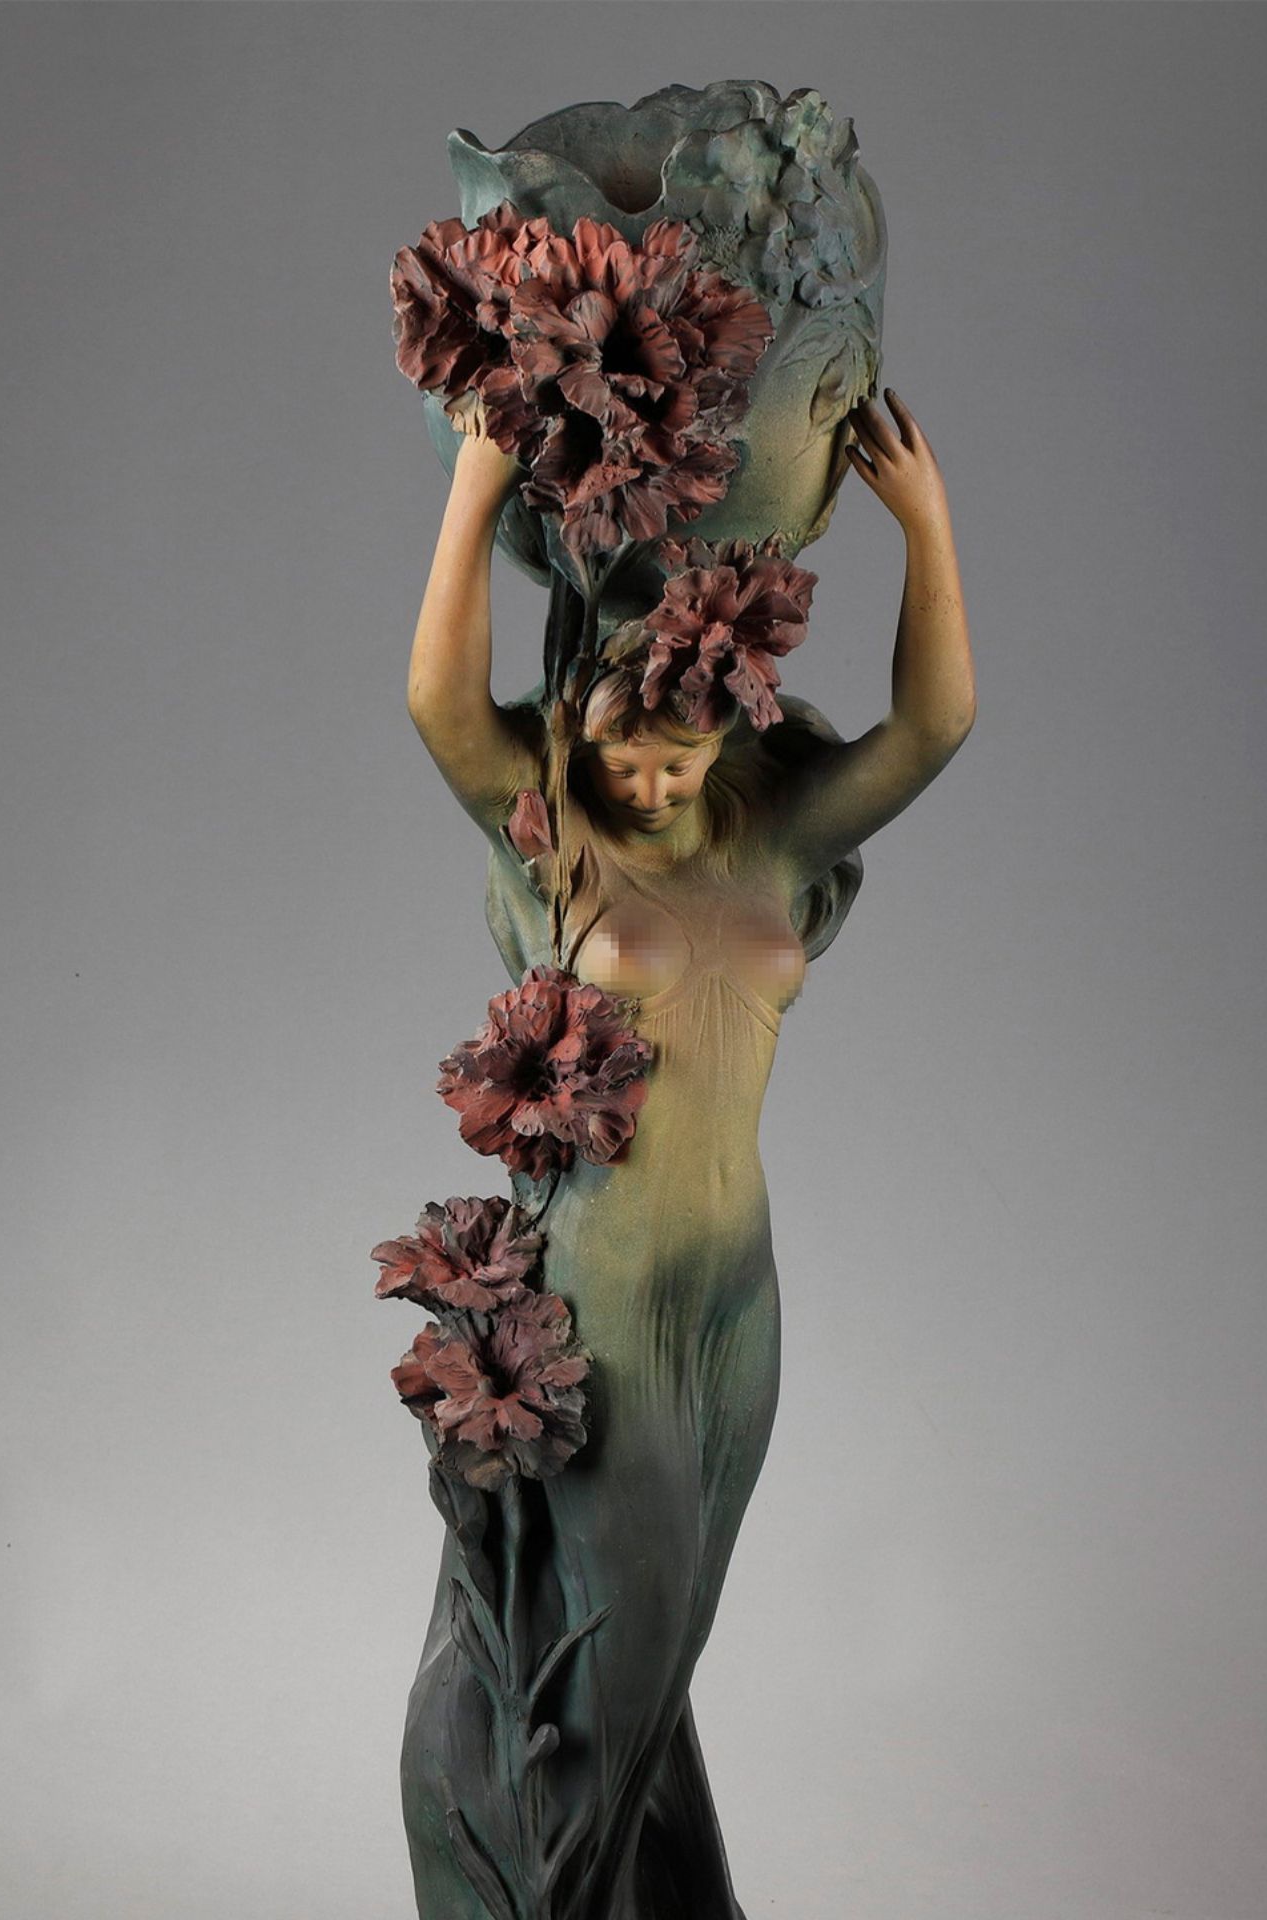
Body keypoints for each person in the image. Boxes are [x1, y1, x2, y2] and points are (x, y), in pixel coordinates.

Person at [400, 390, 975, 1918]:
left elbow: (934, 730)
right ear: (578, 722)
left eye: (680, 756)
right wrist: (478, 483)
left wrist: (925, 527)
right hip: (602, 1309)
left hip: (736, 1306)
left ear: (729, 728)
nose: (649, 788)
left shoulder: (769, 839)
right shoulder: (560, 843)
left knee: (659, 1672)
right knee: (617, 1657)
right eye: (621, 755)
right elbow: (443, 706)